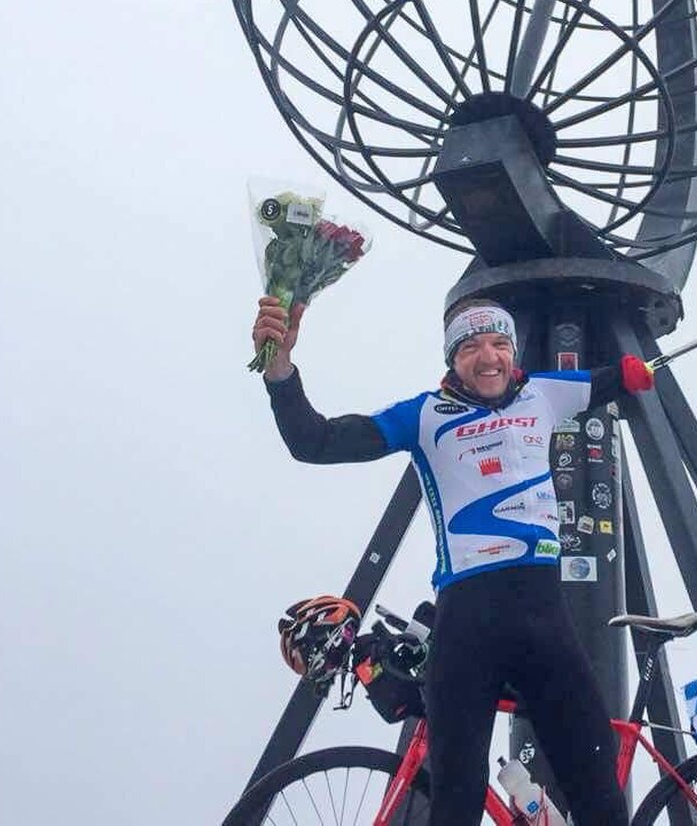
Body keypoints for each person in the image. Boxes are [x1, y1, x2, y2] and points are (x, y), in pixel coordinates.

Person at [251, 295, 657, 826]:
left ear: (513, 354)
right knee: (455, 802)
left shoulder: (545, 393)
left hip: (545, 620)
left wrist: (634, 371)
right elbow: (316, 441)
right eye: (470, 346)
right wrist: (279, 367)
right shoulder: (422, 415)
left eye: (498, 344)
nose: (487, 357)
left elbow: (610, 377)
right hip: (468, 624)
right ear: (451, 358)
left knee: (599, 795)